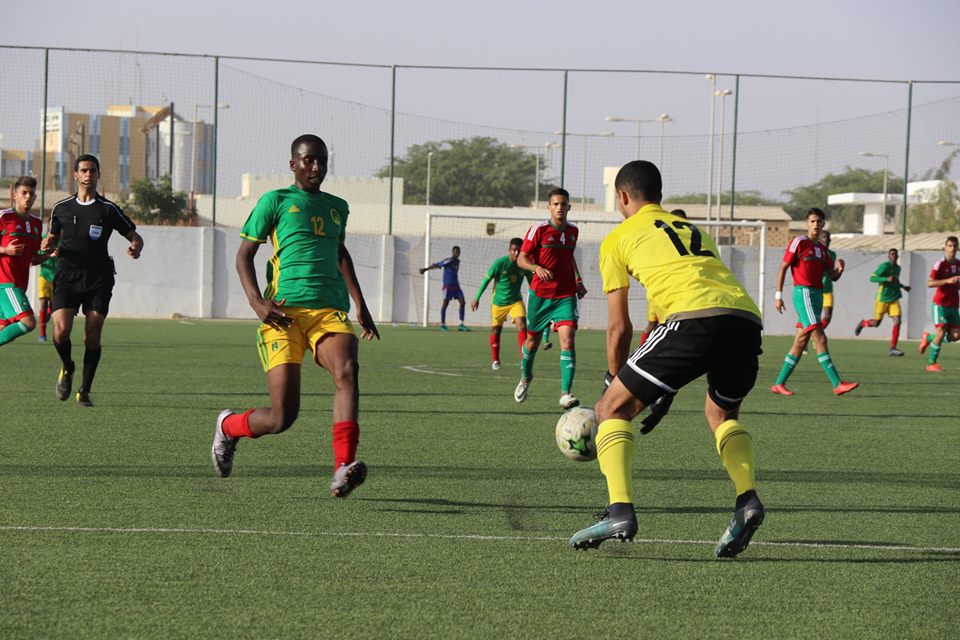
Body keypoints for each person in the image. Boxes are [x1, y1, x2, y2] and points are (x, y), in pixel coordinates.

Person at [569, 160, 764, 558]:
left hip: (693, 321)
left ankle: (620, 510)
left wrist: (612, 384)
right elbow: (665, 323)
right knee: (722, 415)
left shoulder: (619, 238)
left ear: (622, 197)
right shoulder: (690, 229)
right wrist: (665, 390)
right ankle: (747, 500)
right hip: (744, 321)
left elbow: (618, 327)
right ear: (658, 194)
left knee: (611, 409)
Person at [210, 134, 379, 499]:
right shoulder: (275, 201)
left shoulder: (337, 207)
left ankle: (342, 468)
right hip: (283, 314)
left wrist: (360, 303)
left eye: (321, 160)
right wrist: (257, 302)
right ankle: (228, 426)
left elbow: (339, 252)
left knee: (347, 371)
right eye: (308, 161)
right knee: (282, 418)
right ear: (293, 164)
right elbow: (243, 256)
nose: (316, 167)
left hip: (328, 312)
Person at [40, 156, 143, 406]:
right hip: (66, 275)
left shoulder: (108, 209)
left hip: (99, 278)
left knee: (91, 338)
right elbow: (53, 236)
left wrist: (135, 247)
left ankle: (84, 390)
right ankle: (67, 367)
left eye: (93, 170)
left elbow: (134, 235)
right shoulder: (61, 208)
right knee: (61, 331)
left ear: (98, 174)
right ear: (75, 174)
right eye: (84, 170)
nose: (88, 174)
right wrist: (49, 244)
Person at [770, 208, 858, 397]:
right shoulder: (799, 242)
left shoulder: (822, 250)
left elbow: (832, 276)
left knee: (801, 341)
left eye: (819, 221)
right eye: (812, 221)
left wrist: (840, 269)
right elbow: (783, 267)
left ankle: (779, 384)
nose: (816, 224)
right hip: (804, 294)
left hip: (817, 296)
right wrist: (778, 295)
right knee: (820, 337)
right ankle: (837, 383)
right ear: (807, 224)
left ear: (823, 224)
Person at [515, 187, 587, 410]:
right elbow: (521, 259)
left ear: (569, 207)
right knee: (532, 342)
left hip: (565, 295)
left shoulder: (573, 232)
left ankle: (566, 393)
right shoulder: (538, 230)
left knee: (568, 340)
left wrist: (578, 281)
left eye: (563, 204)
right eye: (555, 204)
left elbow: (568, 259)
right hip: (540, 296)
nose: (559, 208)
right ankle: (526, 377)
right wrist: (536, 267)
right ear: (549, 207)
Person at [470, 237, 532, 370]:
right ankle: (495, 360)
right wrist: (476, 298)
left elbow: (532, 283)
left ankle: (524, 360)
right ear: (509, 250)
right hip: (498, 303)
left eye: (519, 251)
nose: (516, 253)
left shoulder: (525, 264)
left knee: (522, 326)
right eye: (514, 250)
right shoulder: (500, 263)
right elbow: (486, 280)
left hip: (516, 301)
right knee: (496, 330)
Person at [0, 177, 46, 346]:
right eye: (24, 193)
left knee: (4, 326)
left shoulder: (36, 224)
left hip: (19, 285)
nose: (28, 197)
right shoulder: (5, 217)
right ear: (14, 195)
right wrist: (5, 250)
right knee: (28, 322)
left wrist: (49, 255)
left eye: (31, 193)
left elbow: (33, 259)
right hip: (5, 283)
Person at [853, 248, 911, 356]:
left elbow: (895, 281)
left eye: (895, 254)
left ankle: (893, 348)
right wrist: (885, 279)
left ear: (897, 257)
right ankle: (863, 323)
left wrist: (903, 287)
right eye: (892, 254)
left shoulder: (898, 268)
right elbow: (873, 278)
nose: (894, 256)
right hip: (882, 298)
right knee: (876, 323)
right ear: (888, 256)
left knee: (897, 321)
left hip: (894, 298)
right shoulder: (884, 266)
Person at [918, 236, 960, 372]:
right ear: (945, 248)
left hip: (954, 305)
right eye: (950, 246)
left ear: (958, 248)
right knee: (941, 331)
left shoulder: (959, 264)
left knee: (956, 336)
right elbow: (930, 283)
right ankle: (931, 363)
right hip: (940, 305)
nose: (952, 249)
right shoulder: (940, 264)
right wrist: (947, 281)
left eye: (955, 246)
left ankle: (929, 337)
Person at [420, 245, 469, 331]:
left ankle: (461, 324)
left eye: (458, 252)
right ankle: (442, 324)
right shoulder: (448, 260)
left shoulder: (458, 261)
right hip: (448, 286)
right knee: (445, 304)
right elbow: (437, 264)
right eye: (455, 251)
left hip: (456, 286)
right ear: (452, 252)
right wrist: (425, 269)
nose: (456, 253)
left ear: (459, 253)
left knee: (463, 302)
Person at [36, 251, 58, 342]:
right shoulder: (41, 238)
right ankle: (42, 333)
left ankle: (49, 311)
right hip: (43, 275)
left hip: (57, 277)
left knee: (54, 305)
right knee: (43, 303)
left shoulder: (61, 239)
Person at [819, 230, 837, 329]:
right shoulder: (815, 253)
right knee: (813, 318)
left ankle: (817, 335)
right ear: (819, 239)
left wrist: (839, 270)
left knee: (827, 317)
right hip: (816, 290)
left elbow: (829, 271)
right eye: (823, 237)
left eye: (827, 237)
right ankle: (810, 338)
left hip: (828, 290)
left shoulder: (832, 255)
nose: (826, 239)